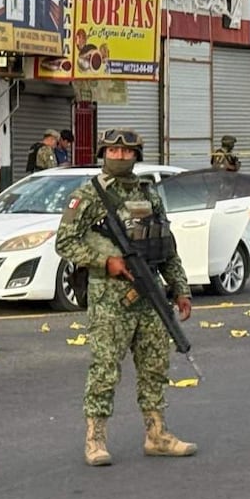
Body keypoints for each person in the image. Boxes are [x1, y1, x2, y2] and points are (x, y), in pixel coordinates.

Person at [55, 128, 196, 467]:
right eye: (113, 153)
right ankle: (95, 440)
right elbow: (65, 242)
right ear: (104, 153)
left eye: (126, 153)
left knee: (154, 367)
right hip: (110, 299)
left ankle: (157, 434)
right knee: (105, 369)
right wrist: (106, 261)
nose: (119, 158)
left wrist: (181, 289)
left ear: (136, 155)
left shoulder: (148, 194)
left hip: (150, 296)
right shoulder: (88, 195)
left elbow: (167, 247)